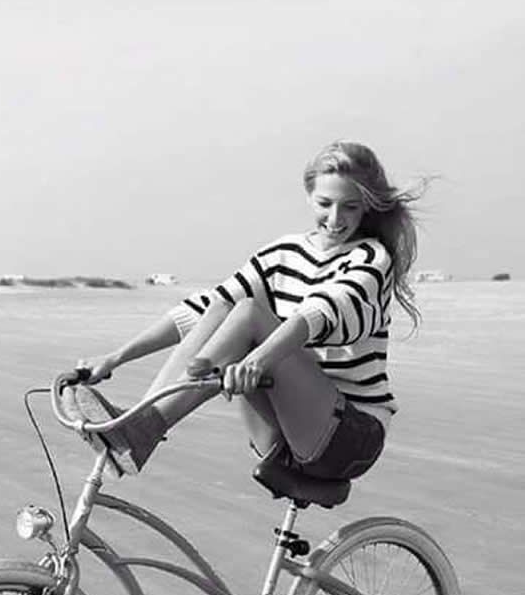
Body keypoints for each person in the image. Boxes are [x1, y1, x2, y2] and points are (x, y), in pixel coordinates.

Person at [63, 140, 424, 482]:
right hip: (281, 430)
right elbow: (208, 307)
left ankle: (142, 430)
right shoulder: (283, 252)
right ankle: (140, 425)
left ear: (367, 207)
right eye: (324, 203)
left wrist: (256, 360)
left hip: (349, 437)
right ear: (308, 196)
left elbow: (321, 313)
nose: (334, 218)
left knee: (249, 314)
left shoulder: (371, 259)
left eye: (350, 207)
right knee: (224, 306)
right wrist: (115, 357)